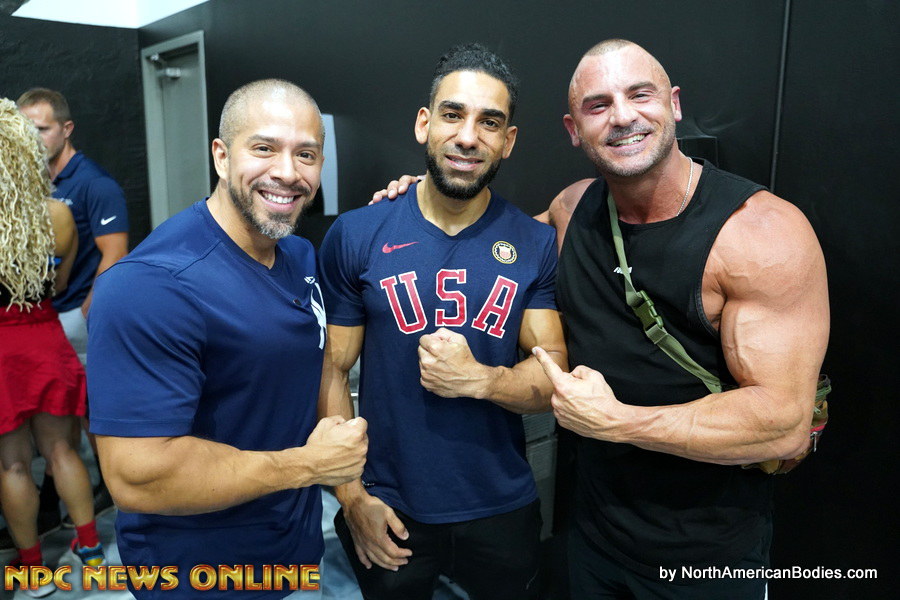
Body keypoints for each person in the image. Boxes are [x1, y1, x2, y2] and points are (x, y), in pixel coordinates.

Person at [527, 39, 830, 599]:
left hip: (709, 557)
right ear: (574, 129)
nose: (622, 116)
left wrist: (617, 423)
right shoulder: (572, 209)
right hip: (593, 536)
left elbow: (783, 424)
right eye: (598, 105)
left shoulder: (761, 234)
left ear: (674, 104)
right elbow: (494, 245)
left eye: (640, 95)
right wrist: (418, 203)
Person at [87, 79, 368, 599]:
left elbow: (317, 368)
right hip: (198, 573)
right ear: (221, 156)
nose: (288, 172)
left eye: (305, 154)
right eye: (264, 148)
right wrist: (308, 466)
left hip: (293, 550)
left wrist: (349, 493)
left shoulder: (299, 255)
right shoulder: (150, 285)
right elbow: (137, 477)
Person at [318, 44, 567, 600]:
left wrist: (483, 380)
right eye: (453, 114)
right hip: (389, 503)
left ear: (508, 140)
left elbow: (553, 374)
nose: (468, 136)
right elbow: (332, 370)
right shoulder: (357, 234)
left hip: (500, 503)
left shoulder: (533, 243)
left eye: (490, 122)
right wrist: (351, 497)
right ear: (424, 124)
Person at [0, 97, 106, 597]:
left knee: (13, 464)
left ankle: (32, 573)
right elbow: (59, 285)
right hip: (44, 337)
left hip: (3, 348)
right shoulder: (57, 214)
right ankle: (91, 550)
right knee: (63, 450)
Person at [15, 87, 128, 533]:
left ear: (66, 129)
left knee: (90, 413)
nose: (33, 138)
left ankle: (111, 493)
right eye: (25, 130)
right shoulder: (30, 183)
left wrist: (85, 314)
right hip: (41, 320)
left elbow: (115, 254)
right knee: (60, 425)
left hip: (74, 316)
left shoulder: (94, 183)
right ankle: (55, 504)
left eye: (41, 129)